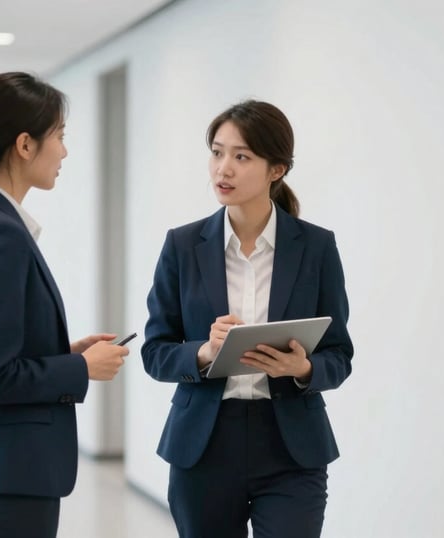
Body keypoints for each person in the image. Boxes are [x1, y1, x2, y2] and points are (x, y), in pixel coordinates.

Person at [0, 71, 129, 538]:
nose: (65, 152)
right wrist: (80, 369)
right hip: (5, 476)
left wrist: (65, 353)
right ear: (25, 145)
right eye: (60, 137)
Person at [142, 100, 354, 538]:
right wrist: (203, 351)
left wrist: (306, 369)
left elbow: (340, 353)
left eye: (242, 157)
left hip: (291, 447)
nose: (224, 169)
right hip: (204, 446)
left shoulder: (315, 247)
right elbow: (155, 351)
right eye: (217, 153)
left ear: (276, 169)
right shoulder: (183, 246)